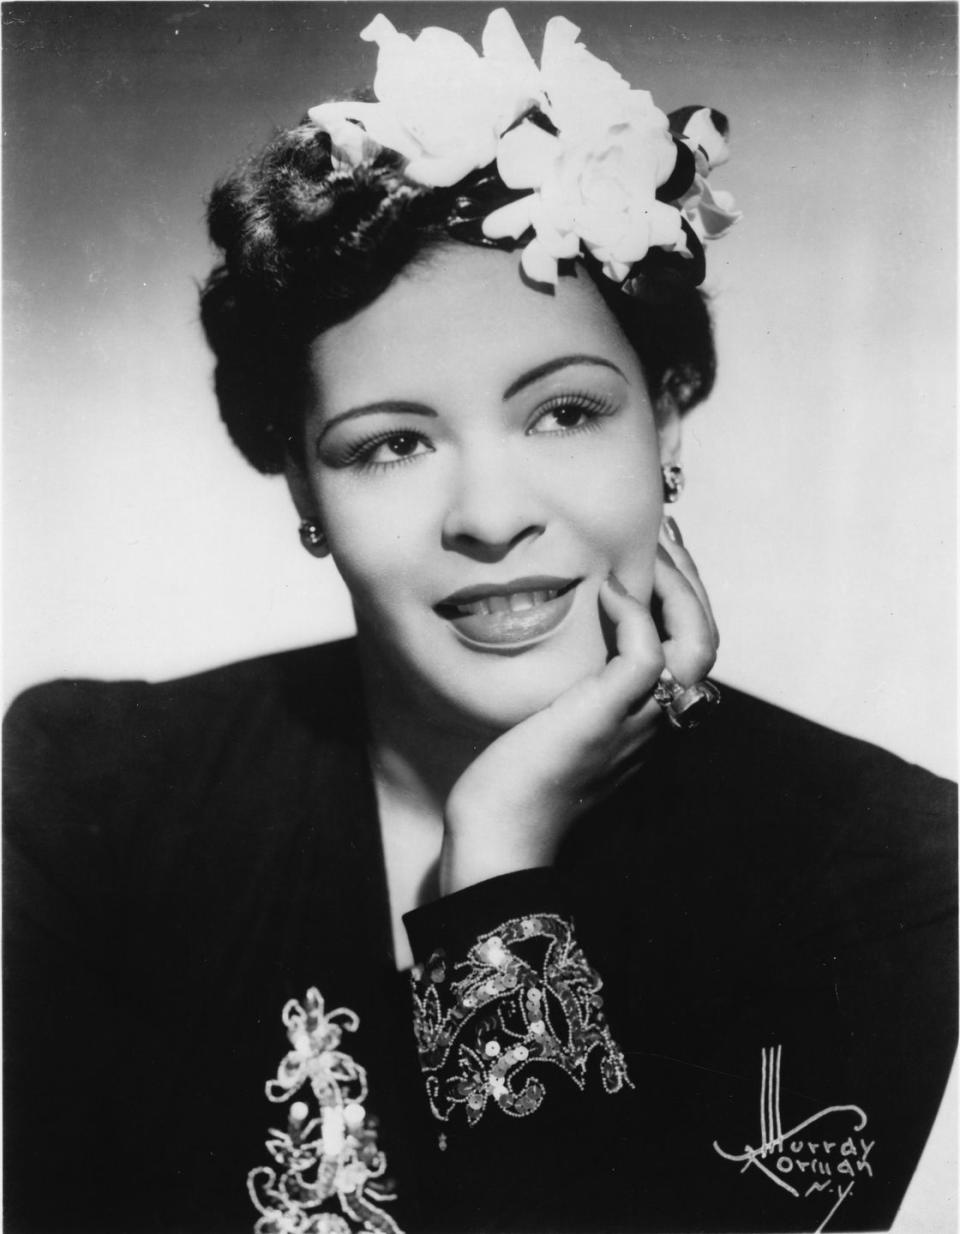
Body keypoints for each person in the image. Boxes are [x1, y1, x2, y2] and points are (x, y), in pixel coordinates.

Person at [3, 9, 954, 1234]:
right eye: (392, 442)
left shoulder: (888, 871)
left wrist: (497, 863)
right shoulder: (91, 798)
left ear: (666, 421)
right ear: (301, 481)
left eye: (562, 412)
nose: (491, 517)